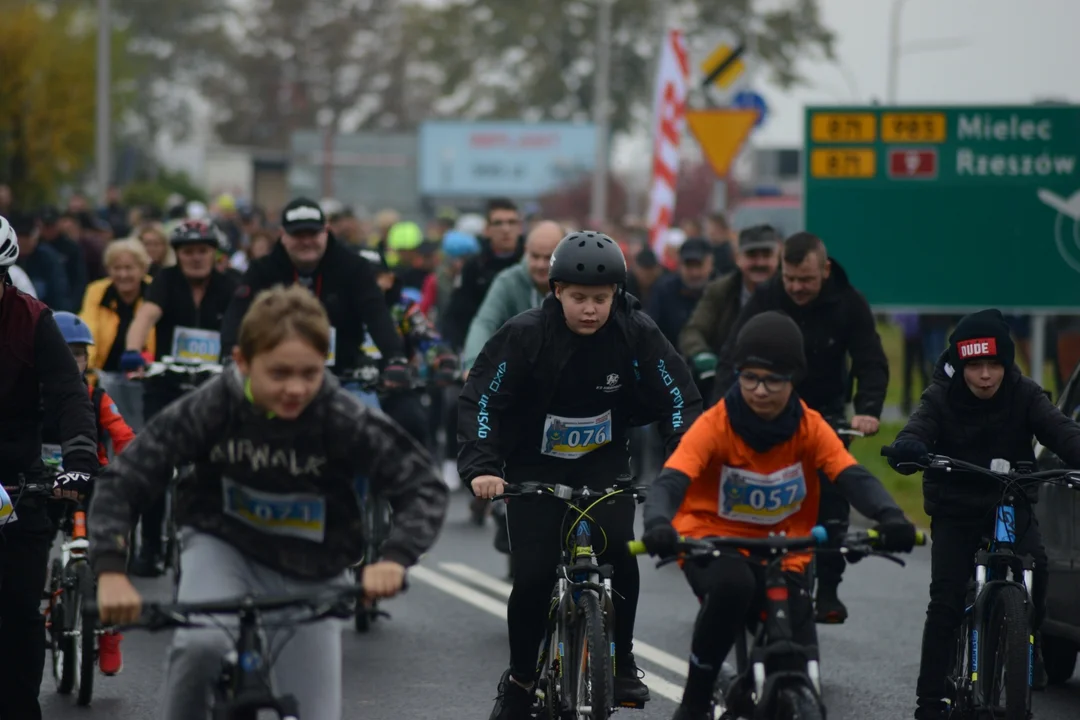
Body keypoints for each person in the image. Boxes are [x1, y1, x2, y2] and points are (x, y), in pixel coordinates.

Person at [89, 285, 449, 720]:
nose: (296, 388)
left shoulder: (340, 413)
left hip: (313, 564)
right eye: (278, 373)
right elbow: (127, 476)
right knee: (199, 647)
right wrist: (110, 569)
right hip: (222, 545)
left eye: (310, 373)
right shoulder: (214, 404)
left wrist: (395, 557)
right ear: (242, 362)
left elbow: (422, 486)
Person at [460, 231, 703, 720]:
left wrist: (684, 461)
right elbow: (482, 400)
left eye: (600, 299)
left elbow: (680, 398)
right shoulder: (525, 334)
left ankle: (624, 660)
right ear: (555, 292)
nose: (590, 309)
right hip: (533, 466)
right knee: (531, 578)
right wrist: (483, 467)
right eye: (578, 298)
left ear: (616, 295)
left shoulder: (637, 330)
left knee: (620, 550)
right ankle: (522, 680)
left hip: (604, 461)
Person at [639, 311, 917, 720]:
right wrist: (658, 524)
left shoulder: (809, 426)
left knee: (797, 648)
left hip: (786, 549)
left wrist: (891, 517)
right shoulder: (715, 425)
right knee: (734, 588)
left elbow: (851, 475)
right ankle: (696, 700)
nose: (759, 390)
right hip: (714, 542)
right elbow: (671, 481)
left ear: (793, 380)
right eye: (749, 378)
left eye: (773, 380)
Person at [883, 309, 1080, 720]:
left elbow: (1060, 430)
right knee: (946, 601)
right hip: (955, 507)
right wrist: (909, 448)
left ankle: (1030, 640)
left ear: (1007, 366)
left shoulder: (1024, 393)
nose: (986, 376)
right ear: (961, 365)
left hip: (1008, 502)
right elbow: (918, 428)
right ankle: (930, 700)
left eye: (994, 365)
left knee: (1037, 566)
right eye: (976, 366)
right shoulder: (940, 395)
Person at [714, 232, 890, 623]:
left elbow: (871, 360)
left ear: (824, 270)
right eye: (790, 278)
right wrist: (720, 410)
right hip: (768, 411)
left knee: (832, 493)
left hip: (825, 415)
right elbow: (732, 356)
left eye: (806, 280)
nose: (796, 287)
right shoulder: (767, 297)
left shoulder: (849, 303)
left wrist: (869, 409)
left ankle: (827, 587)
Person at [0, 214, 99, 720]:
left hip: (17, 482)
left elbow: (70, 396)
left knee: (18, 613)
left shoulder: (33, 320)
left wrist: (79, 460)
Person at [120, 218, 239, 575]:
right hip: (168, 384)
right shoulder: (165, 282)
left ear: (214, 254)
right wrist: (132, 350)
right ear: (178, 255)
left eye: (203, 250)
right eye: (188, 252)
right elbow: (146, 316)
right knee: (156, 462)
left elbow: (248, 322)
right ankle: (152, 545)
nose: (196, 258)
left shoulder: (232, 285)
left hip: (217, 387)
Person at [220, 198, 410, 400]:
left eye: (313, 233)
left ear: (326, 232)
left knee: (370, 424)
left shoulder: (354, 267)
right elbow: (237, 313)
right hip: (279, 377)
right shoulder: (261, 270)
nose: (306, 241)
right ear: (282, 235)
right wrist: (228, 353)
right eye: (298, 234)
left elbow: (376, 314)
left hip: (344, 378)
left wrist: (394, 357)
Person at [47, 312, 136, 675]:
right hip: (47, 483)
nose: (72, 361)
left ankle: (111, 633)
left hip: (91, 479)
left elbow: (123, 435)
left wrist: (137, 462)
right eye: (63, 353)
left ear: (88, 359)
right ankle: (41, 605)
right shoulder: (33, 396)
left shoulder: (97, 397)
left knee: (114, 547)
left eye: (79, 354)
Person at [679, 225, 782, 402]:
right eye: (752, 256)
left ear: (778, 258)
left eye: (766, 255)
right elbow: (693, 330)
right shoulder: (720, 290)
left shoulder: (789, 291)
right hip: (728, 382)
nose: (759, 262)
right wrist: (701, 354)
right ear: (738, 258)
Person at [461, 220, 563, 375]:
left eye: (549, 257)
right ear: (525, 251)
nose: (541, 265)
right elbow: (484, 322)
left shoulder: (576, 282)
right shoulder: (508, 280)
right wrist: (473, 365)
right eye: (535, 256)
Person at [79, 239, 156, 429]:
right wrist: (86, 367)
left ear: (142, 268)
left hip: (145, 378)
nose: (123, 274)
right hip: (103, 378)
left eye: (129, 268)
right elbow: (89, 328)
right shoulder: (97, 291)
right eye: (116, 268)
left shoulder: (155, 290)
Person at [441, 198, 526, 350]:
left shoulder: (533, 262)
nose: (505, 229)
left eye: (511, 222)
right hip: (484, 347)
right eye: (498, 223)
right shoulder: (474, 266)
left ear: (520, 228)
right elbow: (456, 316)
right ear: (487, 230)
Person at [646, 237, 714, 348]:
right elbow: (652, 331)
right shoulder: (664, 290)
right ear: (679, 265)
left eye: (699, 265)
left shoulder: (722, 290)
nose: (694, 273)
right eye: (689, 266)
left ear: (710, 263)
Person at [10, 211, 71, 310]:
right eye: (21, 236)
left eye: (27, 236)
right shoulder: (7, 260)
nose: (24, 241)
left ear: (36, 235)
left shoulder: (48, 257)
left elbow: (59, 293)